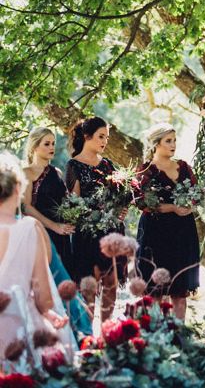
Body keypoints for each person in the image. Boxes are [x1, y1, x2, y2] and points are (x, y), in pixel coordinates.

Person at [0, 152, 70, 369]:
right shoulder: (29, 228)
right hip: (19, 328)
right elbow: (45, 298)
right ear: (19, 188)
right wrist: (47, 311)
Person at [136, 123, 200, 321]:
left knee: (180, 289)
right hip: (156, 232)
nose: (173, 145)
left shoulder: (184, 167)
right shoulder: (145, 170)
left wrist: (190, 205)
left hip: (183, 232)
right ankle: (156, 335)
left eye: (174, 140)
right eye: (168, 141)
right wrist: (173, 208)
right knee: (155, 288)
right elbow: (142, 202)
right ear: (156, 144)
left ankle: (179, 334)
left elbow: (196, 193)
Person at [65, 117, 126, 321]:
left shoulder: (108, 165)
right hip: (87, 233)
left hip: (110, 232)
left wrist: (121, 209)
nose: (105, 141)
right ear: (86, 136)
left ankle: (108, 332)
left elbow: (120, 195)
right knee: (89, 287)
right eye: (101, 136)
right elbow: (74, 204)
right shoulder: (74, 165)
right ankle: (88, 336)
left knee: (111, 284)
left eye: (107, 138)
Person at [22, 127, 76, 277]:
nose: (52, 147)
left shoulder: (57, 172)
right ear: (34, 146)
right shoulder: (27, 173)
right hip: (40, 233)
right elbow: (26, 207)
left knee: (65, 281)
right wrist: (55, 227)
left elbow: (65, 202)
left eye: (53, 143)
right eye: (47, 144)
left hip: (63, 235)